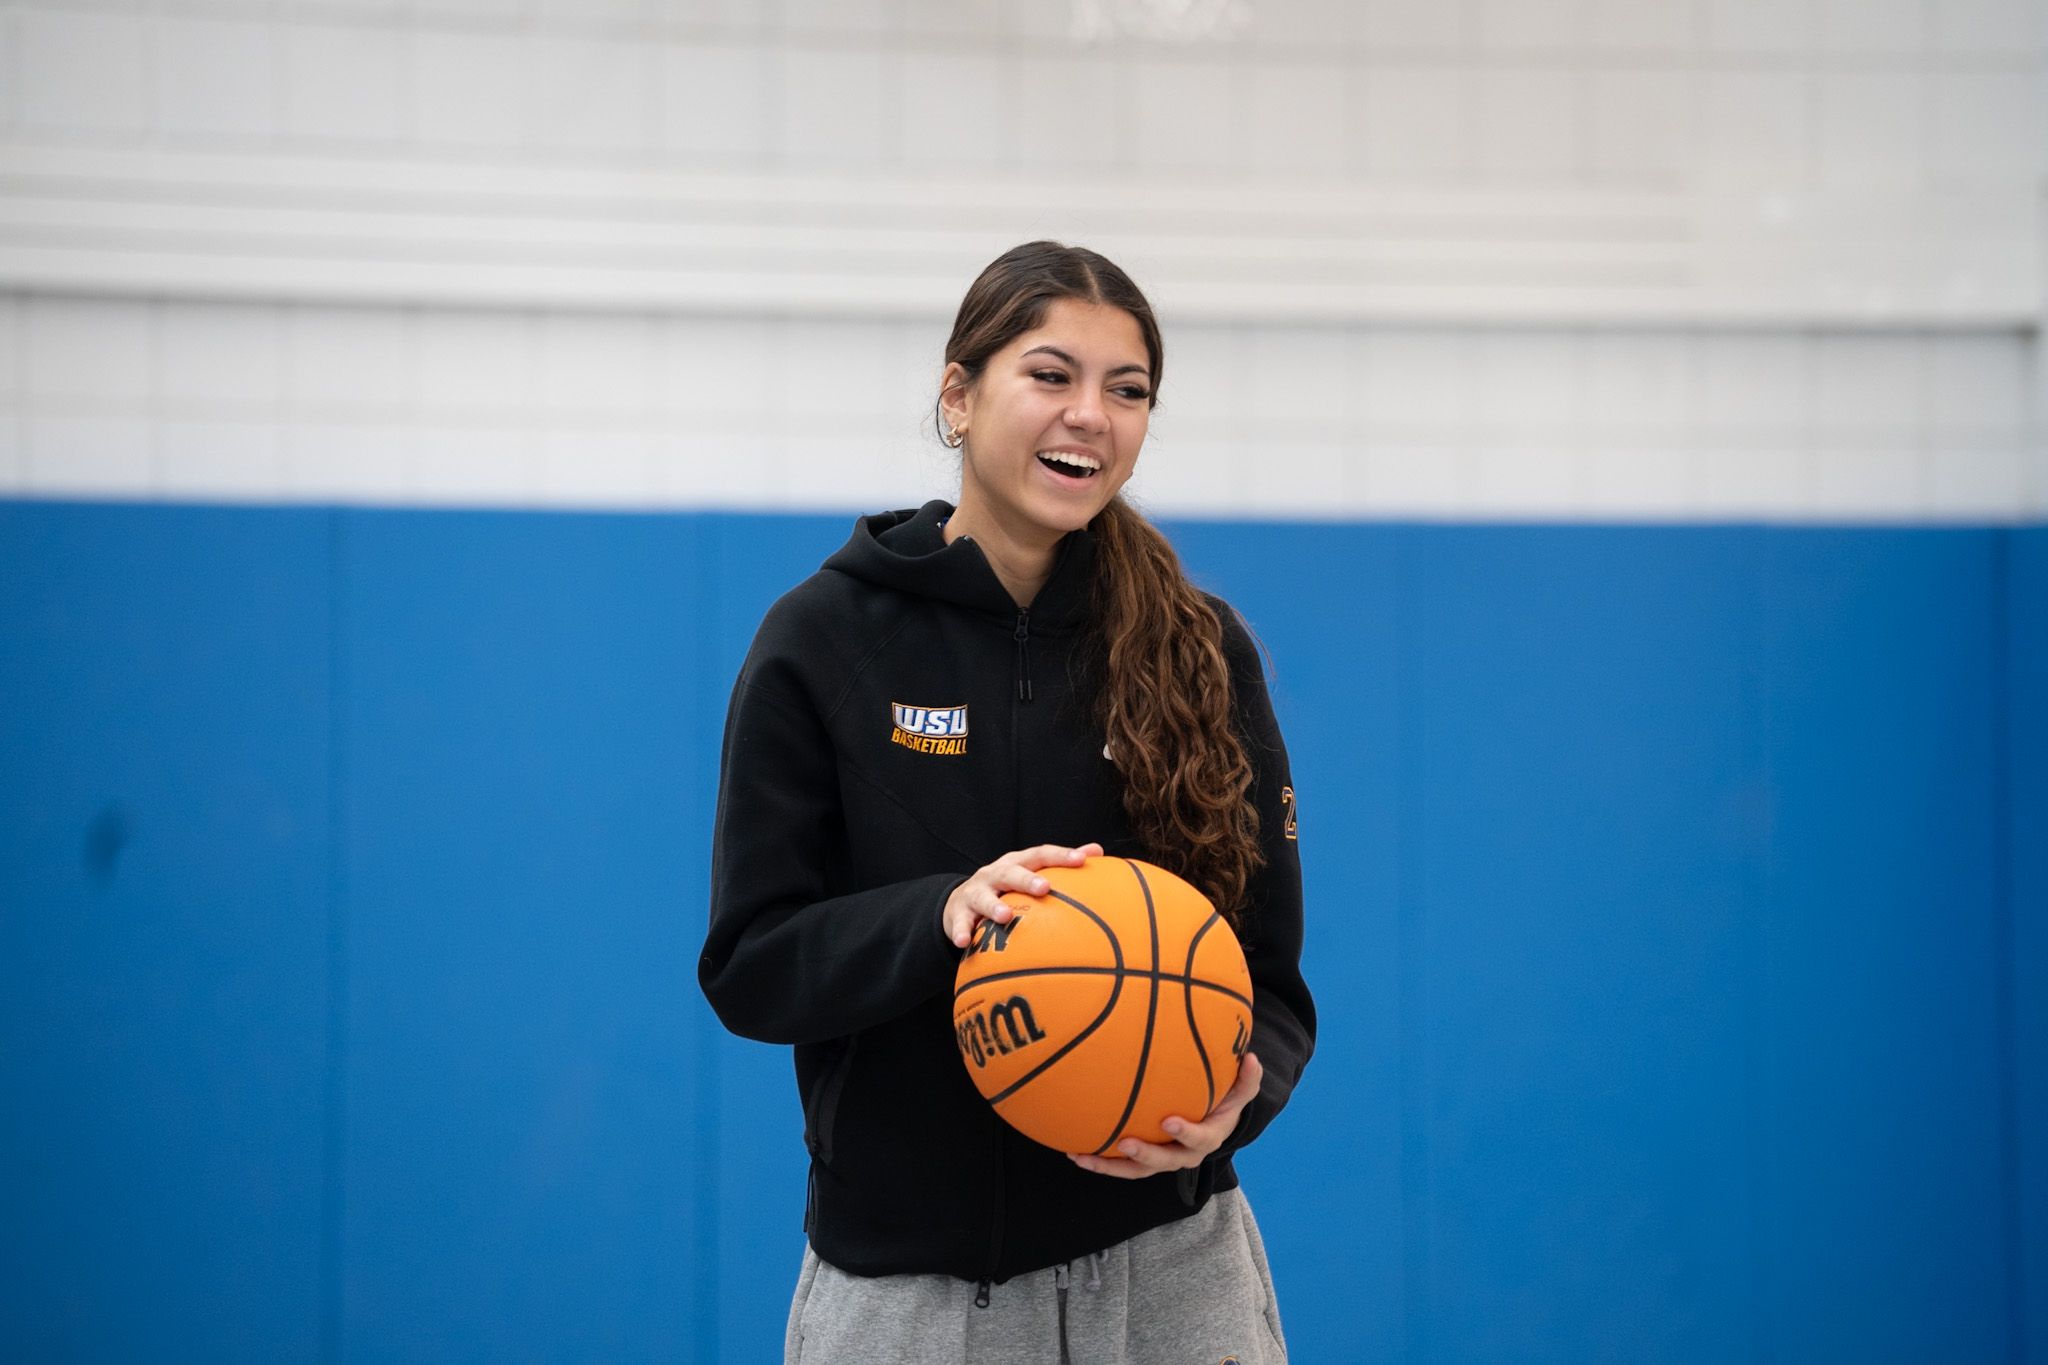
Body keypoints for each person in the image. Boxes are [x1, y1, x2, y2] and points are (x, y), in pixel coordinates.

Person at [699, 240, 1316, 1364]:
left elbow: (1267, 983)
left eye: (1126, 392)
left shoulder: (1198, 649)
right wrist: (937, 915)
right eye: (1050, 375)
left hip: (1175, 1272)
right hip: (911, 1294)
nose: (1090, 415)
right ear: (957, 393)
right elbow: (752, 962)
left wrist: (1236, 1104)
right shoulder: (822, 640)